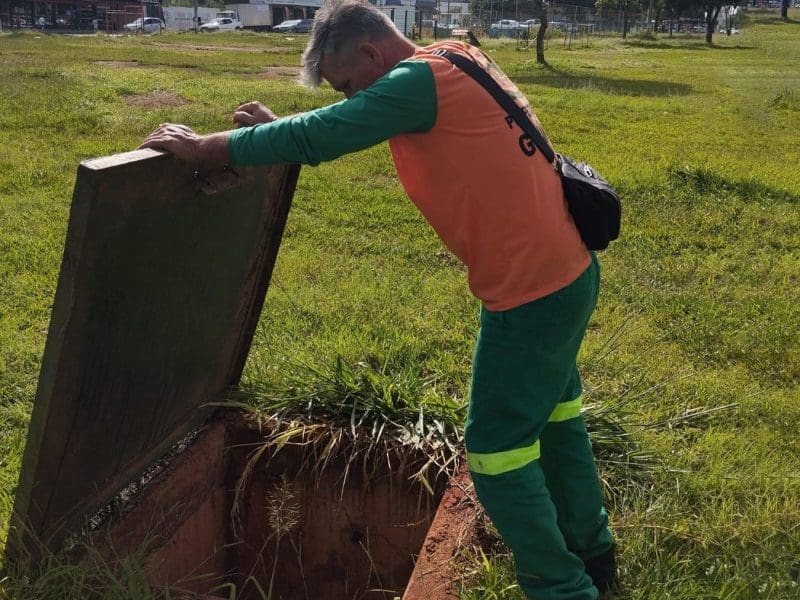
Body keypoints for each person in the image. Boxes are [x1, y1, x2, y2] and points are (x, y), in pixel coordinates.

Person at [140, 0, 615, 597]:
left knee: (495, 453)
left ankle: (564, 588)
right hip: (569, 272)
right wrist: (274, 132)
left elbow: (327, 133)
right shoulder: (453, 58)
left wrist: (212, 147)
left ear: (371, 52)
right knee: (558, 421)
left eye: (347, 84)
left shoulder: (417, 82)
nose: (349, 98)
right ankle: (593, 552)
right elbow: (344, 124)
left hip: (529, 295)